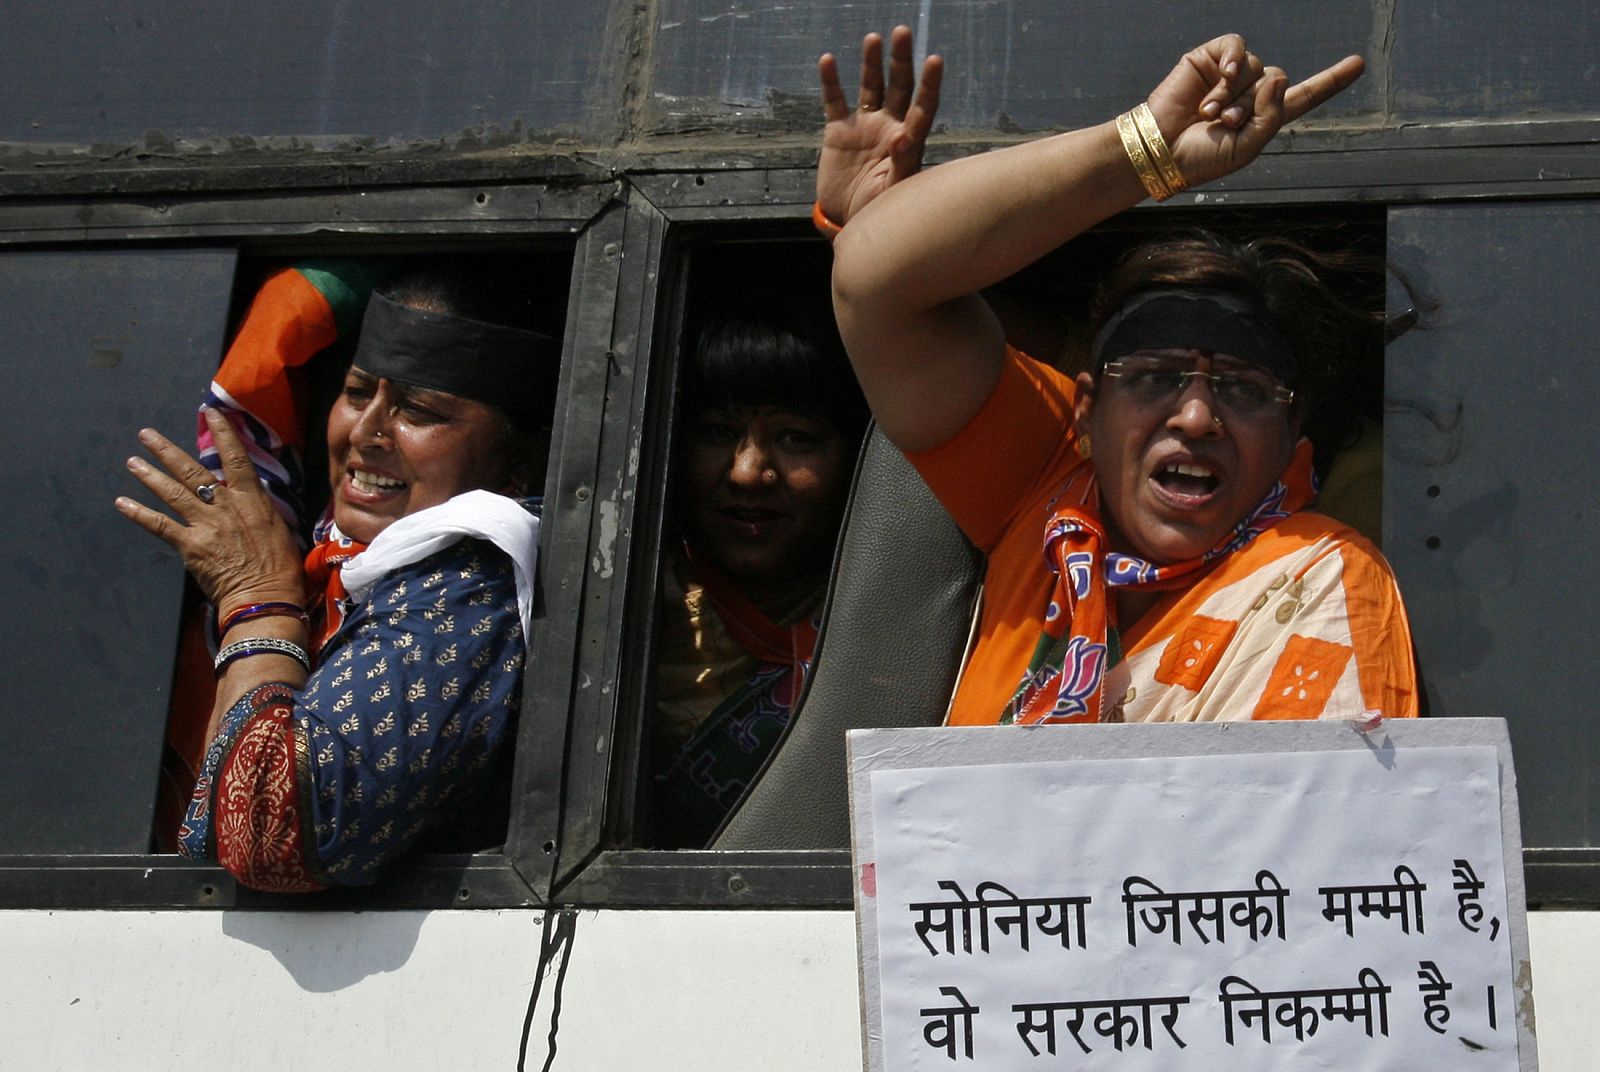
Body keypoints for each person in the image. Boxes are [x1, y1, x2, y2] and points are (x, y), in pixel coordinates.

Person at [821, 31, 1417, 725]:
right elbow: (874, 278)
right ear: (1083, 414)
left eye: (1244, 390)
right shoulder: (1045, 495)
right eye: (1155, 378)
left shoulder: (1320, 581)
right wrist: (1147, 151)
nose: (1196, 418)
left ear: (1292, 438)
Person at [118, 261, 559, 891]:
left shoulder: (470, 573)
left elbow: (271, 833)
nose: (365, 431)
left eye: (418, 410)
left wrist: (257, 601)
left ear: (519, 457)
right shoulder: (330, 553)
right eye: (357, 393)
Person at [650, 312, 869, 847]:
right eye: (718, 433)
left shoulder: (900, 618)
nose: (748, 471)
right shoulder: (634, 610)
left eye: (795, 438)